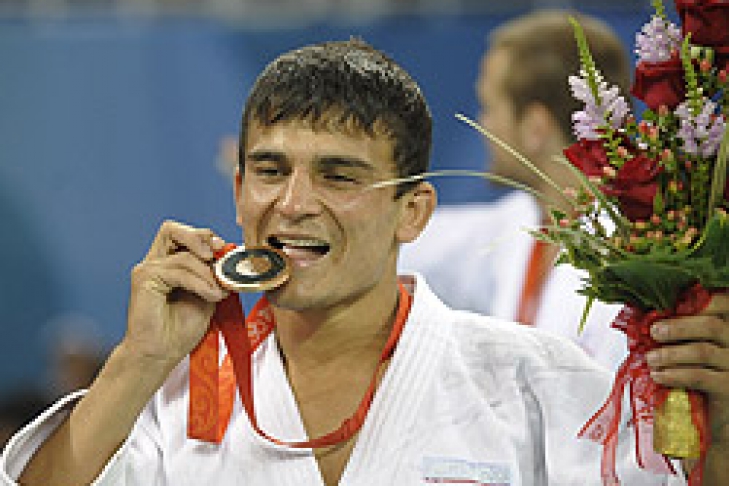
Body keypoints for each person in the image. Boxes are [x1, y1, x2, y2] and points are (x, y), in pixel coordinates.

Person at [2, 38, 728, 486]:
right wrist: (136, 361)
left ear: (413, 212)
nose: (293, 203)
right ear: (238, 189)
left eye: (338, 175)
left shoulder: (537, 382)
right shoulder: (175, 401)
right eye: (269, 171)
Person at [399, 11, 633, 370]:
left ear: (535, 127)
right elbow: (401, 243)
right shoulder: (520, 223)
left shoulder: (635, 253)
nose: (484, 125)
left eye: (490, 108)